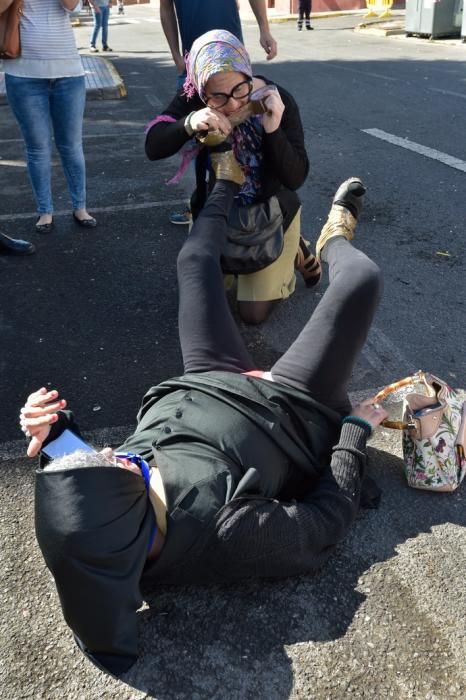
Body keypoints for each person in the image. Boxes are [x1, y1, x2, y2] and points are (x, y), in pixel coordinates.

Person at [20, 163, 387, 676]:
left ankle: (227, 180)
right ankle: (332, 241)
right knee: (361, 280)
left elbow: (84, 471)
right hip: (287, 407)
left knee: (194, 258)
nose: (110, 453)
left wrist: (48, 426)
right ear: (131, 519)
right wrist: (356, 431)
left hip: (203, 383)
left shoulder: (112, 513)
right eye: (112, 465)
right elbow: (325, 523)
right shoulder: (227, 533)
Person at [146, 30, 319, 324]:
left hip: (271, 211)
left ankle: (293, 251)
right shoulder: (195, 99)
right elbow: (154, 145)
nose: (234, 104)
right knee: (206, 302)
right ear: (202, 91)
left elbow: (296, 177)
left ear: (247, 74)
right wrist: (189, 123)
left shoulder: (275, 98)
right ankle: (243, 267)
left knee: (252, 315)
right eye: (219, 97)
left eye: (240, 89)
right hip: (217, 211)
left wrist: (273, 129)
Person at [160, 0, 277, 226]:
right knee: (202, 137)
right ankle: (203, 203)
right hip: (194, 69)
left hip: (231, 64)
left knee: (244, 133)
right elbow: (166, 7)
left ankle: (250, 201)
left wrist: (265, 30)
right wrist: (176, 55)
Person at [2, 0, 97, 233]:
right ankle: (45, 212)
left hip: (69, 74)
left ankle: (80, 207)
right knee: (37, 148)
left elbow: (73, 7)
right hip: (23, 75)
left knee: (71, 146)